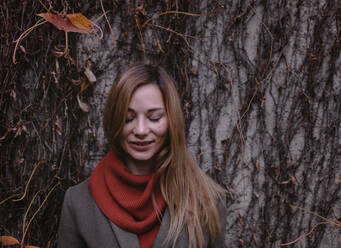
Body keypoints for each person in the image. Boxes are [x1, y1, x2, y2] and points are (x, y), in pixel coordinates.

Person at [57, 63, 226, 248]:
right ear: (114, 120)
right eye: (128, 118)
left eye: (154, 118)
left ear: (172, 119)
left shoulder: (207, 200)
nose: (140, 130)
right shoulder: (79, 203)